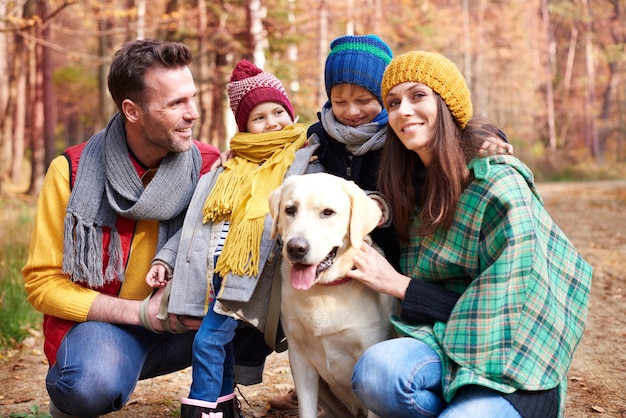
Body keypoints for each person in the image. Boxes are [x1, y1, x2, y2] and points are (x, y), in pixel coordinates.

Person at [346, 50, 593, 417]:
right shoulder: (409, 185)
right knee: (376, 373)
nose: (404, 111)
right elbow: (344, 118)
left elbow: (508, 310)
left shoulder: (497, 183)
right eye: (393, 102)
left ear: (447, 105)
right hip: (444, 339)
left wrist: (400, 285)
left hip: (515, 357)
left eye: (418, 96)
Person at [21, 38, 221, 418]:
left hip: (187, 322)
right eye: (175, 103)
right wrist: (141, 314)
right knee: (85, 386)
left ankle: (222, 396)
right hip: (110, 326)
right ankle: (98, 373)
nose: (192, 113)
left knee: (267, 319)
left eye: (191, 98)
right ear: (132, 110)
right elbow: (42, 284)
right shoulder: (72, 172)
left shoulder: (211, 166)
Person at [145, 59, 322, 418]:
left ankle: (204, 407)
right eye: (259, 118)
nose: (272, 122)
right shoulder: (226, 169)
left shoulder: (306, 161)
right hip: (214, 272)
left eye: (278, 111)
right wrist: (165, 258)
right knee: (218, 344)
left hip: (253, 275)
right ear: (245, 127)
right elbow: (197, 222)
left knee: (209, 340)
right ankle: (224, 406)